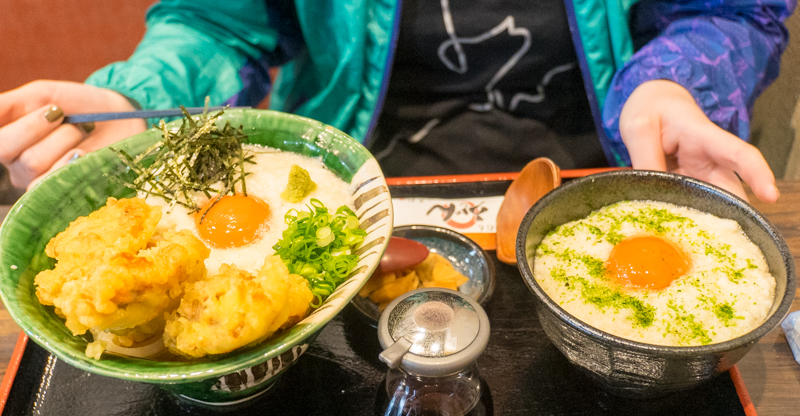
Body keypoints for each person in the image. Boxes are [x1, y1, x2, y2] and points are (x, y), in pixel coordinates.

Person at [0, 0, 793, 203]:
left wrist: (674, 84)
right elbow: (221, 24)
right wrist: (138, 99)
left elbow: (726, 11)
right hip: (355, 182)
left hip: (604, 178)